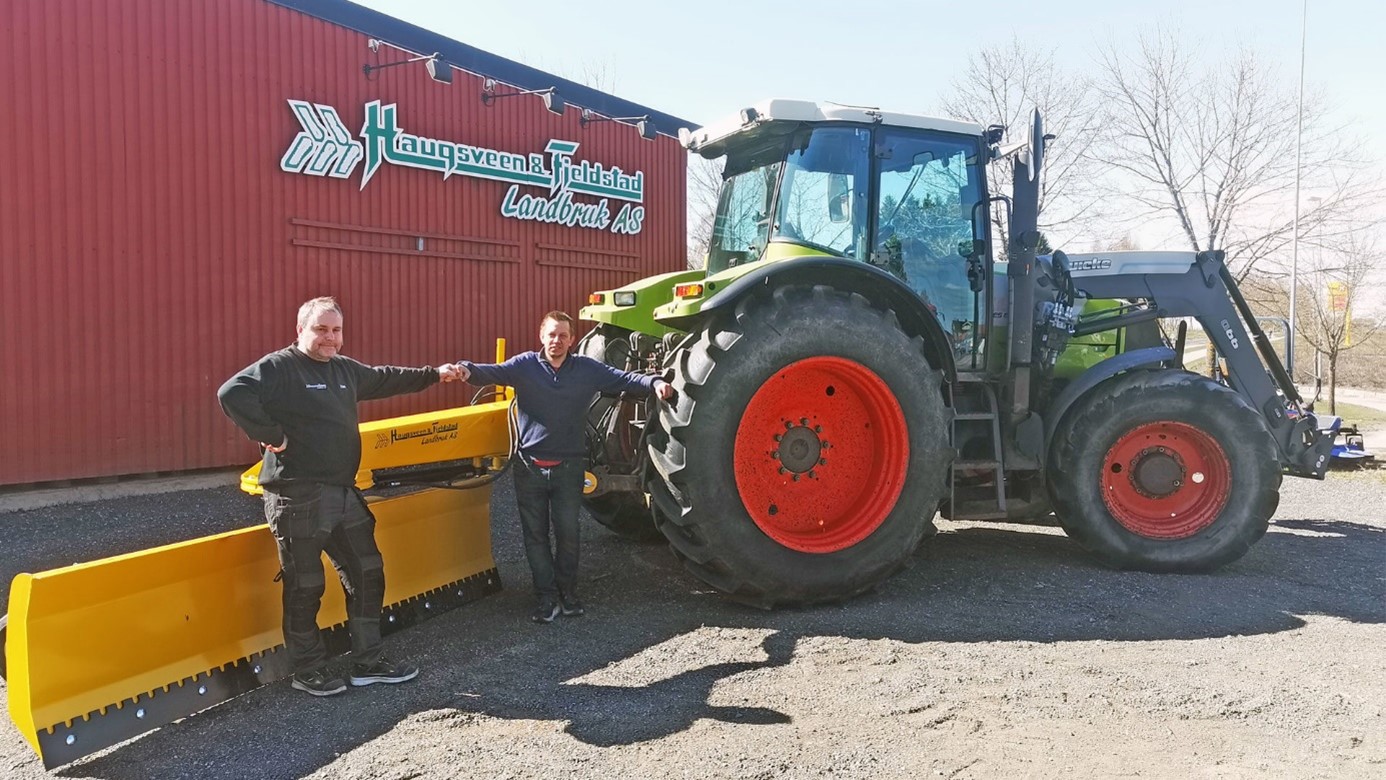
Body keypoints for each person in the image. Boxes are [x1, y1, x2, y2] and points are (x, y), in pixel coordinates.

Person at [217, 296, 462, 697]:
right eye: (321, 329)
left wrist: (435, 374)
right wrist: (270, 434)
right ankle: (308, 669)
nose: (330, 338)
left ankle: (368, 662)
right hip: (297, 496)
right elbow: (231, 393)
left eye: (336, 330)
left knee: (367, 573)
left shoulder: (344, 371)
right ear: (300, 330)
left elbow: (388, 378)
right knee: (306, 584)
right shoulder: (280, 367)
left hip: (342, 492)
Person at [456, 311, 674, 624]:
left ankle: (568, 594)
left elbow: (625, 379)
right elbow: (490, 373)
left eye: (562, 336)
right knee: (535, 537)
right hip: (529, 467)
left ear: (572, 340)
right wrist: (464, 369)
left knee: (568, 534)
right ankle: (546, 598)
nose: (556, 341)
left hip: (568, 467)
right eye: (551, 335)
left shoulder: (586, 369)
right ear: (541, 336)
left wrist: (654, 382)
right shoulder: (524, 366)